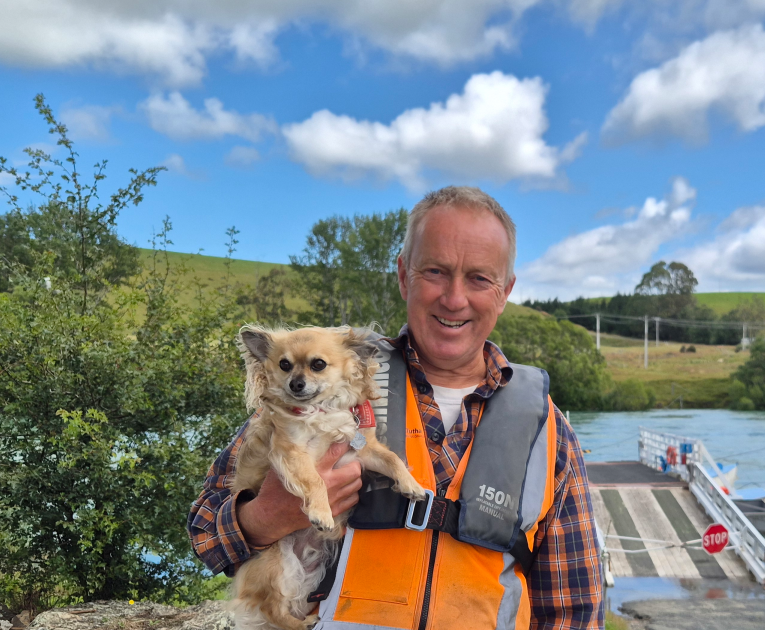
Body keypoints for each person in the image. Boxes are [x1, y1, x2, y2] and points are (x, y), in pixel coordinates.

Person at [188, 186, 604, 629]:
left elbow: (573, 604)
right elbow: (205, 533)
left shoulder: (546, 427)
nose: (454, 298)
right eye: (436, 271)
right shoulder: (328, 382)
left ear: (505, 291)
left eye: (479, 278)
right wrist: (268, 515)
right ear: (404, 275)